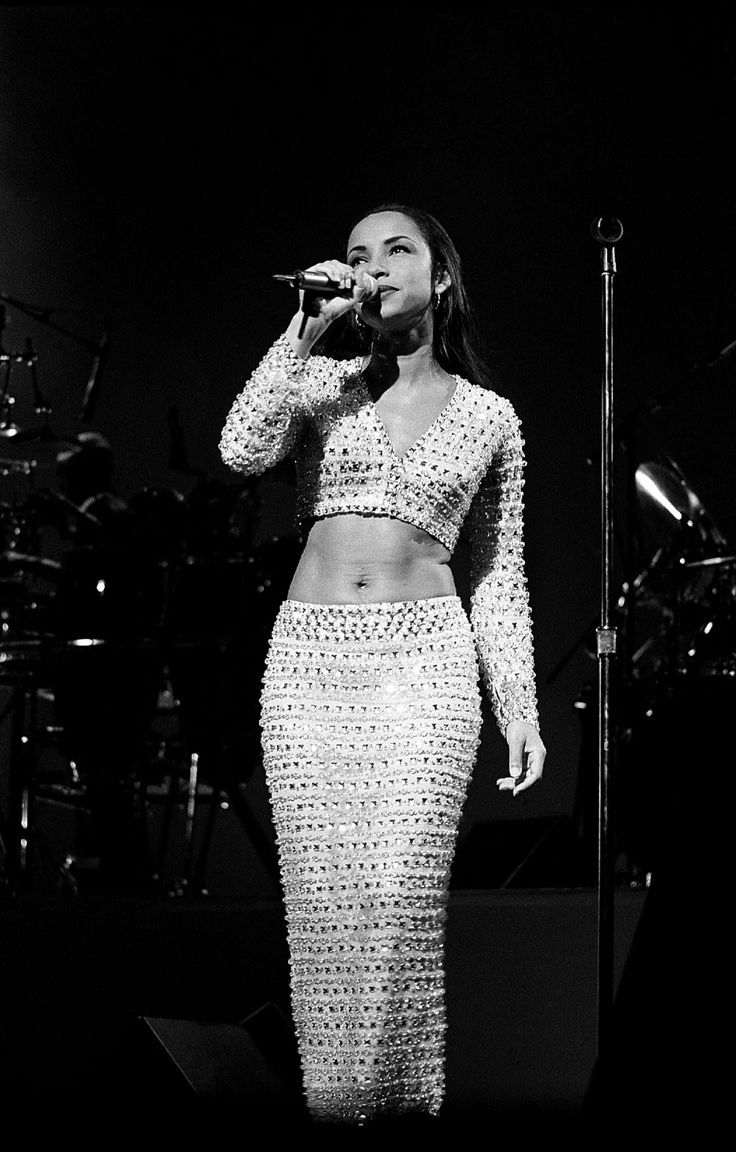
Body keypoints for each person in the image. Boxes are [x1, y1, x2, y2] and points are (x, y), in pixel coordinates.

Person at [219, 202, 546, 1126]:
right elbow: (241, 449)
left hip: (426, 675)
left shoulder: (490, 418)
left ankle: (396, 1112)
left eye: (396, 249)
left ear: (440, 277)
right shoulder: (319, 386)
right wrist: (303, 329)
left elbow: (497, 575)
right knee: (326, 929)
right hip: (311, 673)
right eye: (357, 255)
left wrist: (516, 702)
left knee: (398, 912)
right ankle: (340, 1115)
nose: (373, 266)